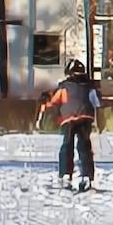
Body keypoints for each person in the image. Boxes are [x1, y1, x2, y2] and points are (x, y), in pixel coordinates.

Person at [39, 58, 102, 191]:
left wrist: (45, 101)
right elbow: (96, 103)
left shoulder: (65, 86)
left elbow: (55, 101)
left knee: (67, 145)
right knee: (85, 146)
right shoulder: (90, 86)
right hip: (86, 117)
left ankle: (66, 174)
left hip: (69, 118)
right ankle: (87, 176)